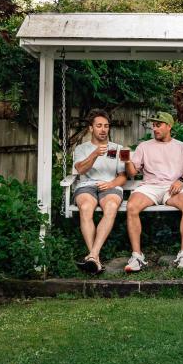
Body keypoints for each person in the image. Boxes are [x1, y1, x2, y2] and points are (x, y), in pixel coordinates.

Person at [124, 111, 183, 272]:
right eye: (153, 125)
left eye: (158, 125)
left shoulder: (181, 147)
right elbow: (132, 172)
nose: (154, 129)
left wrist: (181, 180)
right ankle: (137, 257)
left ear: (169, 126)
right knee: (132, 206)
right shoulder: (144, 146)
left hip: (173, 187)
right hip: (150, 187)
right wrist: (128, 161)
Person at [71, 109, 126, 274]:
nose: (103, 129)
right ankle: (94, 257)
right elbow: (80, 169)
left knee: (111, 206)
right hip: (86, 185)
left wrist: (111, 184)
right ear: (91, 128)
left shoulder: (118, 148)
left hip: (110, 185)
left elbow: (123, 176)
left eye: (106, 126)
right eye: (99, 126)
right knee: (86, 207)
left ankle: (93, 256)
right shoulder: (81, 149)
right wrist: (94, 154)